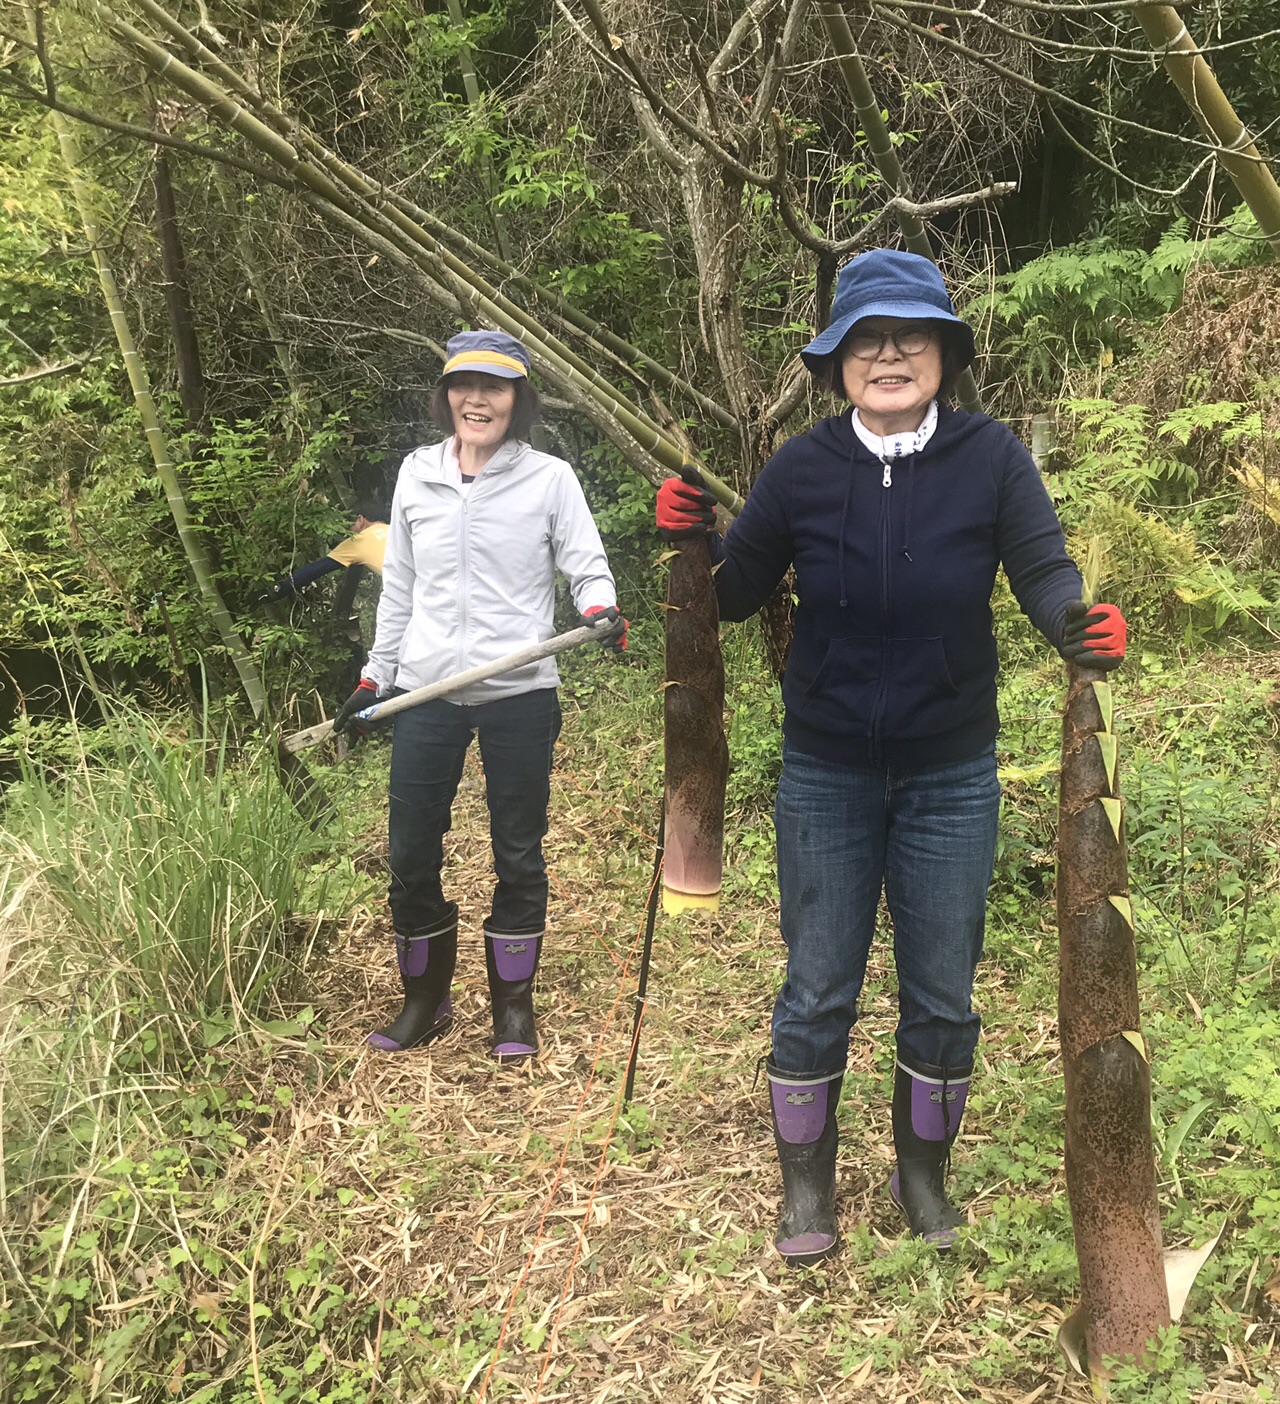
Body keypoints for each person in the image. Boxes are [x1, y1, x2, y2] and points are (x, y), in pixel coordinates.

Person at [655, 249, 1126, 1264]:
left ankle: (922, 1183)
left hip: (949, 773)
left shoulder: (990, 457)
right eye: (866, 340)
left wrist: (1074, 624)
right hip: (824, 771)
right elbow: (732, 596)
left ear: (943, 356)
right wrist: (689, 543)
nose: (888, 355)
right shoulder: (801, 467)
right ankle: (806, 1194)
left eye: (909, 337)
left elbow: (1042, 569)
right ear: (836, 365)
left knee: (942, 991)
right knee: (817, 983)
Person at [334, 330, 627, 1063]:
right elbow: (398, 588)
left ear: (517, 401)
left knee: (518, 853)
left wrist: (601, 607)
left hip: (520, 692)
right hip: (425, 690)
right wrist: (376, 674)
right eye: (465, 386)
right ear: (446, 396)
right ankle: (423, 1003)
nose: (477, 399)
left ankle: (512, 1010)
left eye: (494, 388)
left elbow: (586, 567)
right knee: (409, 853)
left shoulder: (550, 479)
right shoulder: (416, 475)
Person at [262, 500, 390, 601]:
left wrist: (279, 590)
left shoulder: (357, 541)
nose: (349, 531)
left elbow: (314, 570)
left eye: (349, 525)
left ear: (360, 519)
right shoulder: (396, 528)